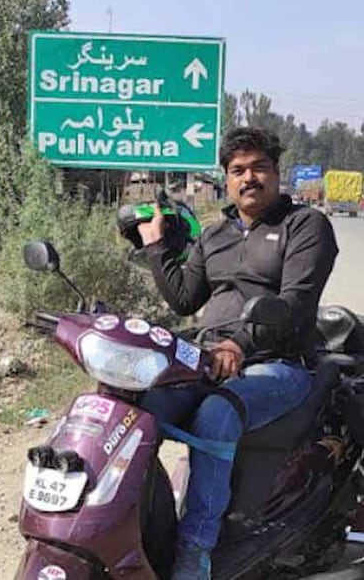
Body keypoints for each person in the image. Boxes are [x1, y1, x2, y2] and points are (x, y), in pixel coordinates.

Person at [136, 127, 338, 579]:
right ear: (226, 180)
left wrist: (240, 343)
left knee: (216, 415)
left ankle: (195, 554)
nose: (250, 178)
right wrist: (155, 246)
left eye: (259, 167)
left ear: (277, 173)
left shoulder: (305, 226)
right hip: (209, 360)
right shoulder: (215, 235)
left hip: (281, 366)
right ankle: (134, 529)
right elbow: (185, 299)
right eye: (238, 170)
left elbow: (295, 303)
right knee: (135, 407)